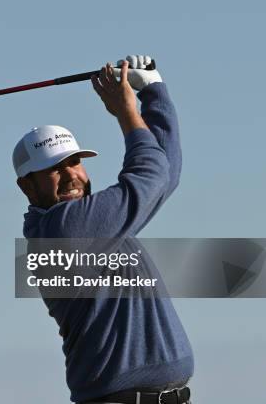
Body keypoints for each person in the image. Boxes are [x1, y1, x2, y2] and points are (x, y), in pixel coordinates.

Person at [12, 55, 194, 404]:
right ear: (27, 187)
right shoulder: (62, 231)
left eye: (74, 162)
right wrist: (127, 110)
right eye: (54, 169)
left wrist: (154, 91)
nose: (71, 176)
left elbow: (163, 175)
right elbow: (151, 176)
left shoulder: (100, 224)